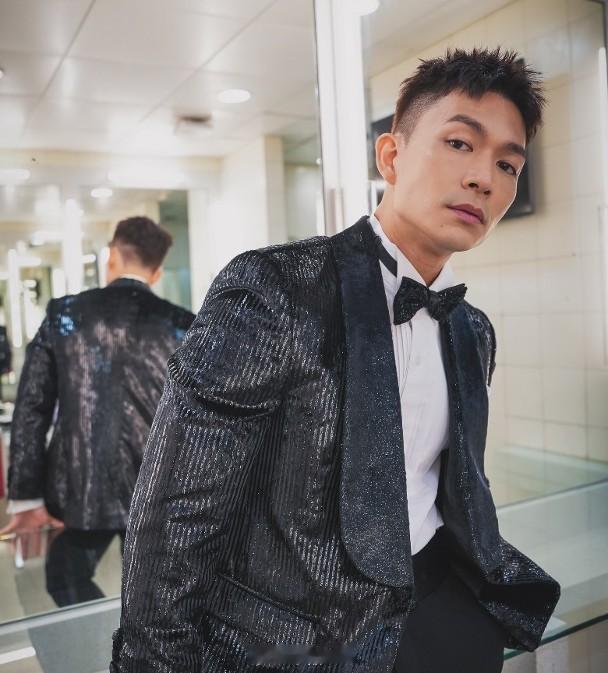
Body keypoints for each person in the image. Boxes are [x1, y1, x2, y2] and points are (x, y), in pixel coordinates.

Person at [110, 49, 560, 673]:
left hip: (444, 614)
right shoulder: (275, 288)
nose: (485, 178)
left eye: (508, 164)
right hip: (304, 641)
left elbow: (452, 490)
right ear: (391, 156)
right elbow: (176, 516)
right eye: (460, 143)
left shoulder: (472, 330)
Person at [1, 216, 195, 607]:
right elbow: (199, 417)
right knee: (153, 594)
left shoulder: (64, 316)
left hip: (78, 486)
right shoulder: (182, 325)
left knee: (65, 579)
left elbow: (33, 408)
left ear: (111, 258)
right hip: (158, 485)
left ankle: (100, 643)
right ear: (157, 272)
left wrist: (26, 496)